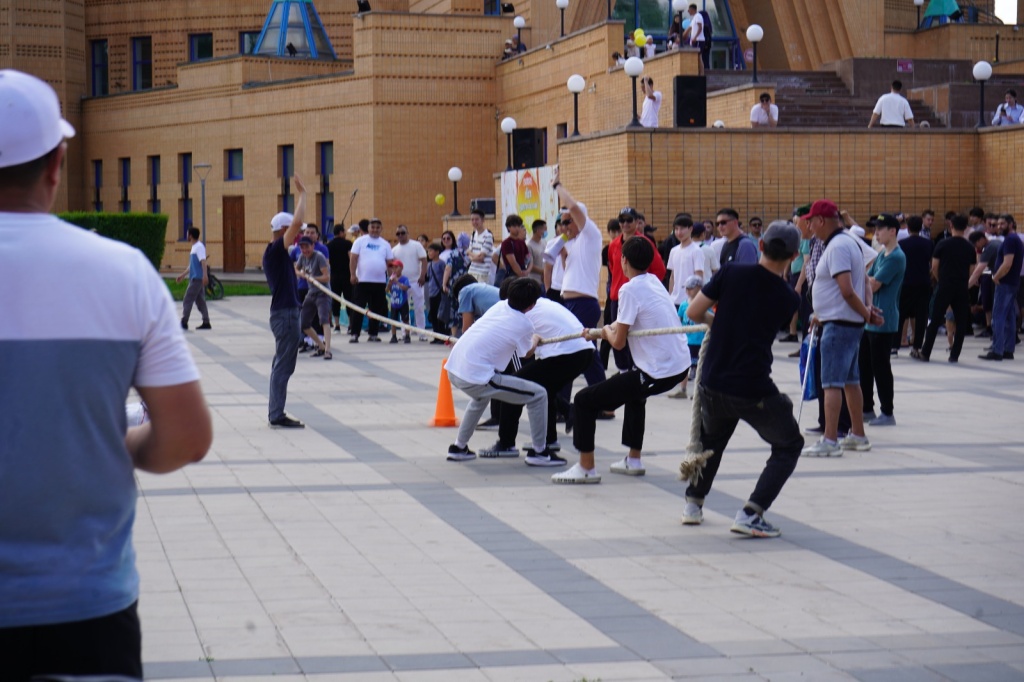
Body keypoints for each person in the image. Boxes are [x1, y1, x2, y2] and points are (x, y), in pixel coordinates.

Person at [0, 68, 212, 680]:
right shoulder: (121, 273)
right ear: (56, 163)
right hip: (86, 605)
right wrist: (118, 442)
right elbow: (187, 438)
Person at [681, 221, 805, 538]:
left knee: (712, 443)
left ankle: (693, 504)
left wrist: (720, 324)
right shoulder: (789, 298)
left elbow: (694, 312)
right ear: (794, 256)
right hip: (752, 387)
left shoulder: (731, 272)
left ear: (760, 245)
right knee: (790, 444)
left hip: (712, 381)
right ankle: (751, 513)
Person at [553, 236, 688, 484]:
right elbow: (623, 322)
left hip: (658, 371)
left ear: (623, 260)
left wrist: (604, 332)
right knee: (635, 395)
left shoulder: (628, 289)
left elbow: (618, 342)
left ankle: (586, 468)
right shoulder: (654, 282)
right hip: (679, 368)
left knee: (583, 400)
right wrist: (597, 332)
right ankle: (633, 460)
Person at [444, 278, 556, 464]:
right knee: (539, 395)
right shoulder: (524, 324)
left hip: (454, 368)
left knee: (480, 398)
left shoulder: (499, 306)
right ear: (532, 305)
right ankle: (539, 452)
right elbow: (526, 352)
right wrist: (536, 338)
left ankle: (458, 447)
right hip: (476, 376)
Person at [802, 200, 882, 457]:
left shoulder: (837, 246)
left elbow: (846, 289)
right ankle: (857, 435)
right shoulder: (849, 241)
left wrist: (866, 313)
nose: (809, 227)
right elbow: (864, 282)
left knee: (831, 383)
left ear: (821, 221)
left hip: (839, 324)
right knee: (850, 381)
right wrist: (866, 309)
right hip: (844, 322)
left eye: (811, 221)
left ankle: (830, 439)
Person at [484, 295, 593, 460]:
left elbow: (525, 352)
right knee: (545, 392)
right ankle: (548, 439)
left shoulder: (519, 313)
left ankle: (506, 443)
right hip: (584, 352)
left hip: (567, 354)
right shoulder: (542, 303)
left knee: (513, 387)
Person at [550, 167, 606, 389]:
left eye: (568, 221)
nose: (564, 227)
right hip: (571, 303)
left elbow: (572, 207)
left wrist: (557, 186)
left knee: (575, 351)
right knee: (581, 353)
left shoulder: (591, 234)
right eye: (562, 223)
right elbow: (570, 274)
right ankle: (600, 396)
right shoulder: (573, 243)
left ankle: (596, 395)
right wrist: (563, 253)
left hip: (584, 303)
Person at [264, 177, 309, 428]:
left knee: (280, 364)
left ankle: (275, 411)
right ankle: (276, 414)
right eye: (294, 233)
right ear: (284, 230)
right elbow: (298, 222)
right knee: (283, 366)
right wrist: (303, 194)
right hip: (285, 315)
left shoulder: (278, 254)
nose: (298, 236)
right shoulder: (275, 250)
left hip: (286, 313)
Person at [858, 214, 905, 425]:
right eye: (875, 229)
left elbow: (873, 284)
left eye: (880, 229)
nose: (876, 233)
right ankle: (867, 407)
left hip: (884, 319)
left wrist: (866, 279)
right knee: (865, 366)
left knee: (881, 367)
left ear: (892, 231)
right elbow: (867, 276)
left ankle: (887, 412)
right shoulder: (881, 255)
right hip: (870, 318)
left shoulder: (896, 257)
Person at [914, 214, 974, 363]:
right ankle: (954, 355)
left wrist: (941, 280)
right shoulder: (969, 247)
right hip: (961, 287)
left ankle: (926, 352)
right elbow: (972, 270)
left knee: (935, 319)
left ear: (951, 226)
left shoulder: (942, 244)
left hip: (945, 285)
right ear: (965, 227)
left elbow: (934, 266)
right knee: (961, 322)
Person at [981, 214, 1022, 360]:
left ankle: (997, 350)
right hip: (1012, 282)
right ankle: (1008, 349)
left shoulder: (1010, 240)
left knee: (998, 316)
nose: (999, 227)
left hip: (1004, 283)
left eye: (1002, 224)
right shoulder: (1015, 239)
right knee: (1009, 317)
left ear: (1011, 224)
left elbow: (1007, 263)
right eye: (998, 224)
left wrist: (996, 277)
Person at [349, 217, 394, 343]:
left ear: (381, 229)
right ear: (368, 228)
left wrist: (391, 279)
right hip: (362, 281)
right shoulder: (360, 241)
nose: (375, 230)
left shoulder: (385, 244)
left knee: (376, 308)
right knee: (358, 307)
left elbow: (389, 263)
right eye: (372, 227)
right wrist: (352, 275)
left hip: (379, 282)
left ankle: (373, 333)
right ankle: (354, 333)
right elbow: (353, 259)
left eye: (377, 227)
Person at [900, 215, 935, 358]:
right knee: (921, 315)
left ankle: (895, 345)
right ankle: (917, 345)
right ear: (921, 227)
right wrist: (930, 276)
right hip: (923, 282)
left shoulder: (902, 244)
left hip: (906, 282)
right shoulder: (928, 243)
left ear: (908, 228)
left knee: (901, 314)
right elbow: (933, 264)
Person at [667, 275, 706, 399]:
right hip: (686, 340)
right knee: (684, 367)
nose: (688, 291)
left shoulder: (705, 304)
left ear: (699, 288)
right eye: (687, 288)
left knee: (700, 368)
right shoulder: (684, 305)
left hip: (700, 341)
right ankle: (682, 389)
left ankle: (698, 392)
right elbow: (678, 321)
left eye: (691, 288)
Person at [295, 235, 333, 359]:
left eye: (307, 247)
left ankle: (327, 350)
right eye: (302, 247)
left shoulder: (319, 257)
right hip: (311, 293)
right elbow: (296, 269)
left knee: (324, 320)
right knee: (303, 323)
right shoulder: (302, 257)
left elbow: (326, 277)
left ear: (312, 246)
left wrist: (313, 278)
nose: (305, 250)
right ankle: (320, 346)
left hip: (323, 293)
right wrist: (302, 274)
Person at [391, 224, 428, 341]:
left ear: (408, 233)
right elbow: (392, 267)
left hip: (416, 281)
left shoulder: (416, 245)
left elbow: (424, 260)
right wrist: (394, 281)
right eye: (398, 233)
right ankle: (405, 332)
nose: (400, 235)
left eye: (403, 233)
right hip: (401, 283)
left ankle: (422, 333)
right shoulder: (394, 250)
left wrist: (422, 276)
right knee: (403, 309)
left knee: (419, 308)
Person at [176, 226, 211, 330]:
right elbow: (192, 266)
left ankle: (184, 322)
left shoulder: (199, 247)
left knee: (188, 299)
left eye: (187, 234)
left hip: (197, 279)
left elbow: (203, 262)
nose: (186, 235)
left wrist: (205, 276)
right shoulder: (195, 247)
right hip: (196, 278)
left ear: (190, 236)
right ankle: (206, 322)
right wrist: (182, 275)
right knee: (200, 301)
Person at [666, 213, 705, 307]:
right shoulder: (674, 251)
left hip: (689, 301)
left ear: (690, 229)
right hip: (674, 300)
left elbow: (699, 277)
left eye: (682, 228)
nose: (679, 232)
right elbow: (672, 276)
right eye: (676, 229)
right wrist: (670, 297)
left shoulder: (696, 250)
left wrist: (695, 299)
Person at [328, 223, 353, 332]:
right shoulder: (348, 243)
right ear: (341, 232)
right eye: (344, 232)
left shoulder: (329, 245)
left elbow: (327, 261)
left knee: (335, 300)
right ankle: (350, 324)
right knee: (349, 299)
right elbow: (351, 258)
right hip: (346, 275)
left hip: (334, 275)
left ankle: (337, 325)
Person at [426, 242, 448, 341]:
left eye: (431, 251)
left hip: (439, 292)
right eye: (428, 251)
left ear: (437, 252)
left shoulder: (441, 263)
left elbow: (445, 275)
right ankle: (436, 335)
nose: (429, 253)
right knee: (433, 314)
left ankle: (442, 335)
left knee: (440, 314)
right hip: (431, 292)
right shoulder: (429, 264)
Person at [386, 259, 412, 344]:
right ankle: (394, 336)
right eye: (392, 268)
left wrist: (397, 282)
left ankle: (407, 335)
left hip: (403, 302)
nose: (394, 270)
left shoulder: (404, 279)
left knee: (405, 320)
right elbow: (387, 290)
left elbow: (405, 288)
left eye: (396, 267)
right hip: (394, 303)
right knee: (393, 320)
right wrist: (389, 284)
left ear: (401, 268)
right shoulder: (391, 279)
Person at [467, 208, 494, 284]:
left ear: (483, 220)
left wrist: (471, 255)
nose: (474, 222)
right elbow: (469, 254)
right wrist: (474, 257)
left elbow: (481, 257)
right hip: (472, 271)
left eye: (476, 219)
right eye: (472, 220)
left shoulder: (488, 236)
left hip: (482, 273)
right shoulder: (473, 235)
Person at [686, 4, 709, 73]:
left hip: (699, 40)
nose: (688, 12)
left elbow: (700, 28)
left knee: (698, 57)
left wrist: (695, 37)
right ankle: (697, 72)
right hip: (695, 40)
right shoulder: (694, 18)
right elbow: (688, 29)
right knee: (695, 57)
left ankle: (701, 73)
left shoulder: (698, 16)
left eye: (689, 10)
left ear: (692, 9)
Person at [527, 219, 547, 287]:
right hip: (534, 282)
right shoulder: (529, 245)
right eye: (545, 229)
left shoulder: (544, 242)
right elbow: (530, 266)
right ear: (538, 230)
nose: (546, 232)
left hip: (544, 281)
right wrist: (544, 272)